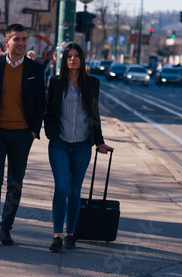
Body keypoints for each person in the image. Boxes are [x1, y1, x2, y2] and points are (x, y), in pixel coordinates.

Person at [0, 23, 46, 246]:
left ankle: (6, 227)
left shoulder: (36, 69)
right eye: (16, 39)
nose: (21, 43)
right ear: (6, 42)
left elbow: (40, 103)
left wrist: (34, 130)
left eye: (24, 39)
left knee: (15, 183)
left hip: (22, 134)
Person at [44, 43, 114, 253]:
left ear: (82, 60)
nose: (72, 59)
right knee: (62, 187)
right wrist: (51, 133)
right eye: (68, 56)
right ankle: (57, 235)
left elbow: (95, 114)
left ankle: (70, 235)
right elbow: (48, 110)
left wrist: (99, 141)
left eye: (76, 56)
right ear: (64, 60)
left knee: (75, 191)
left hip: (83, 145)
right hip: (60, 143)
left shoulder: (92, 83)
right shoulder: (56, 82)